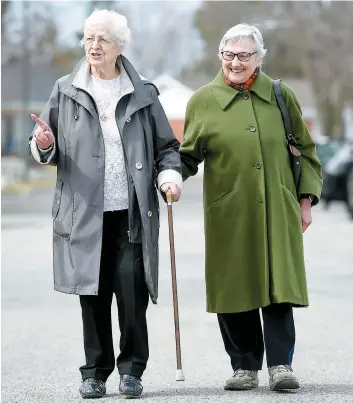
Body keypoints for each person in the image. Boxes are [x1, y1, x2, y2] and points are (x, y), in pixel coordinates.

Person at [29, 9, 182, 399]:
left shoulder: (143, 92)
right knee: (92, 296)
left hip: (131, 210)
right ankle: (94, 371)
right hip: (84, 213)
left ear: (119, 47)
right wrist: (44, 144)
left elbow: (167, 146)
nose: (93, 45)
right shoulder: (65, 89)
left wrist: (168, 176)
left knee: (133, 296)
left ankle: (133, 370)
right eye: (88, 37)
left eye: (103, 39)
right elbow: (45, 141)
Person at [179, 24, 322, 392]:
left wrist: (304, 200)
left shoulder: (280, 94)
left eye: (244, 55)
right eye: (229, 55)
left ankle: (280, 365)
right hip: (230, 211)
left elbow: (304, 149)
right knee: (233, 285)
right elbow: (188, 156)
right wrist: (168, 175)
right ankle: (244, 366)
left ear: (259, 58)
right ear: (220, 57)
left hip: (278, 205)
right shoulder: (203, 100)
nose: (236, 62)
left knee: (278, 287)